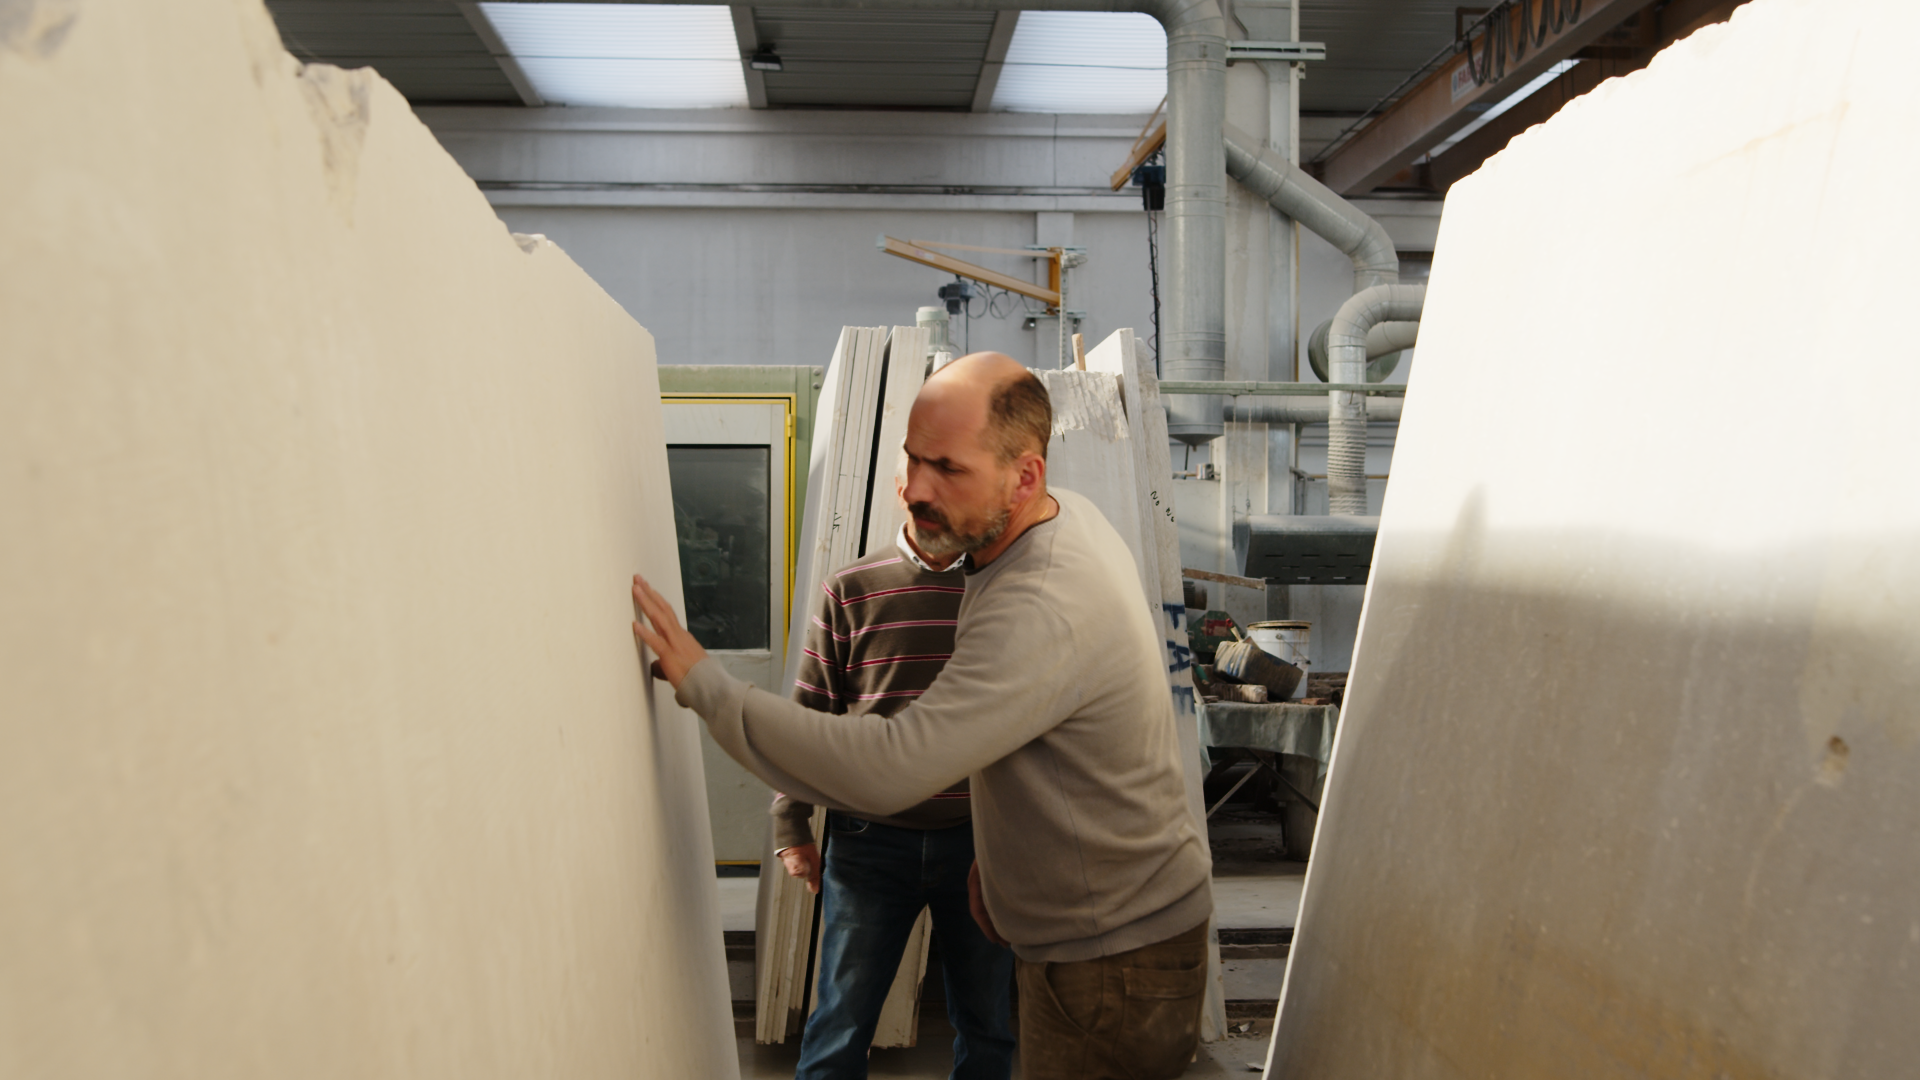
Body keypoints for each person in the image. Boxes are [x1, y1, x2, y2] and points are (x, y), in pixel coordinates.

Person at [634, 353, 1212, 1080]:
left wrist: (709, 687)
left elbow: (890, 766)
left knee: (984, 1034)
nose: (916, 489)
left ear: (1024, 476)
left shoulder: (1037, 600)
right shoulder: (1063, 519)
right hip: (1095, 931)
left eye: (949, 468)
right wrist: (1000, 865)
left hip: (1112, 960)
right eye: (912, 459)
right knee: (843, 1015)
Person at [773, 473, 1015, 1079]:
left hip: (979, 841)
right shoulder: (851, 588)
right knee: (840, 1023)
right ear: (900, 490)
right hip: (869, 842)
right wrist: (790, 823)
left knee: (988, 1024)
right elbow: (809, 716)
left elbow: (1027, 717)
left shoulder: (1003, 589)